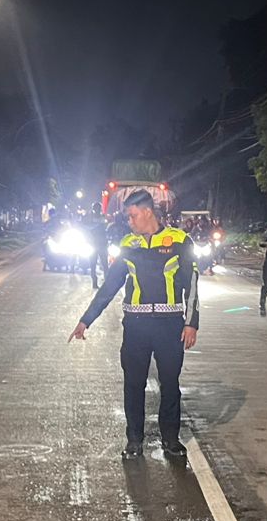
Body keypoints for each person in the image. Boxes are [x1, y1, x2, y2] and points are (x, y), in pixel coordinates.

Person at [70, 189, 199, 460]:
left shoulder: (179, 240)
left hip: (169, 326)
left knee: (170, 384)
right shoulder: (129, 244)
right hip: (136, 326)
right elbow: (110, 286)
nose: (129, 222)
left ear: (147, 212)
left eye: (132, 216)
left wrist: (191, 324)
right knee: (133, 384)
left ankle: (171, 440)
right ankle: (134, 440)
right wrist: (86, 320)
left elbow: (193, 285)